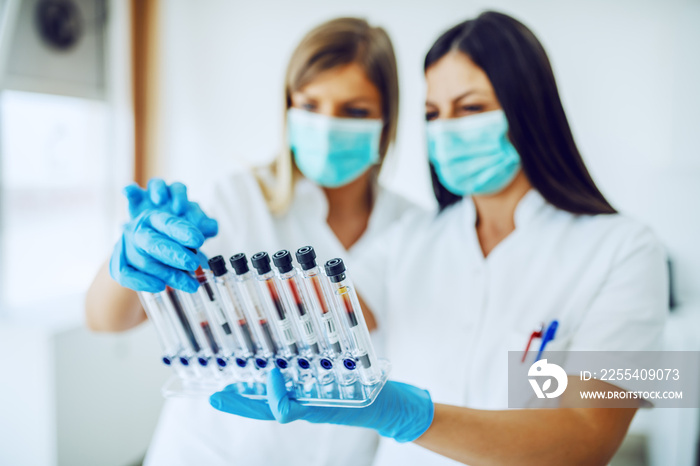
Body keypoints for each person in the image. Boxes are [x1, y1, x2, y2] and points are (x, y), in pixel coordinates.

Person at [209, 11, 668, 466]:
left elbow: (590, 440)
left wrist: (411, 418)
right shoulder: (409, 239)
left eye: (470, 108)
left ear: (529, 110)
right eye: (432, 113)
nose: (447, 128)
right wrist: (187, 273)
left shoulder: (627, 250)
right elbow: (314, 305)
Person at [85, 17, 420, 466]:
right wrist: (131, 258)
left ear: (387, 120)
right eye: (310, 104)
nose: (327, 126)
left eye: (354, 110)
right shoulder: (238, 199)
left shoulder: (412, 227)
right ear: (288, 108)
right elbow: (107, 319)